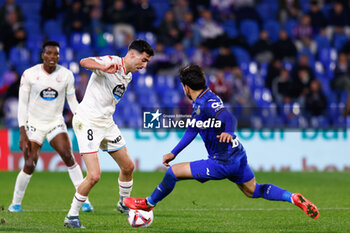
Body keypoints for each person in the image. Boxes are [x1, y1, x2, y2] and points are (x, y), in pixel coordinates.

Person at [124, 64, 319, 220]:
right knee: (253, 190)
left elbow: (228, 117)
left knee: (172, 173)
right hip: (238, 155)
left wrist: (228, 131)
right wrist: (174, 152)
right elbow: (193, 129)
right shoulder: (208, 96)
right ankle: (292, 197)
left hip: (221, 162)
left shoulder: (204, 103)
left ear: (186, 87)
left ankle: (148, 204)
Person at [63, 39, 154, 229]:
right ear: (131, 55)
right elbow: (84, 62)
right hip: (87, 121)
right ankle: (71, 216)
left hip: (107, 123)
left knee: (128, 167)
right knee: (94, 175)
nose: (144, 65)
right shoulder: (111, 61)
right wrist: (102, 67)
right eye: (143, 60)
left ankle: (123, 203)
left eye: (146, 62)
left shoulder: (128, 75)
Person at [8, 41, 93, 213]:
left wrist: (83, 119)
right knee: (30, 163)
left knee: (69, 157)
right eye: (49, 53)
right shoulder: (30, 75)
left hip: (55, 122)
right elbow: (22, 105)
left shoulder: (67, 75)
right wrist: (23, 132)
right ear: (43, 55)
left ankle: (84, 200)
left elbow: (72, 102)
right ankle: (15, 203)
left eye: (56, 54)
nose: (53, 57)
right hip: (34, 124)